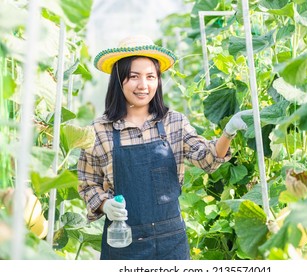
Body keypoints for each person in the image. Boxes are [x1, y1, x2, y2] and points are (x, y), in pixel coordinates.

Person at [77, 35, 252, 260]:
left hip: (171, 242)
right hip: (123, 242)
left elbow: (207, 160)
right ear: (119, 80)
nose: (143, 85)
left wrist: (227, 133)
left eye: (151, 76)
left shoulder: (174, 122)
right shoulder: (99, 130)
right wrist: (104, 204)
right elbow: (87, 183)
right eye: (134, 77)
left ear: (158, 81)